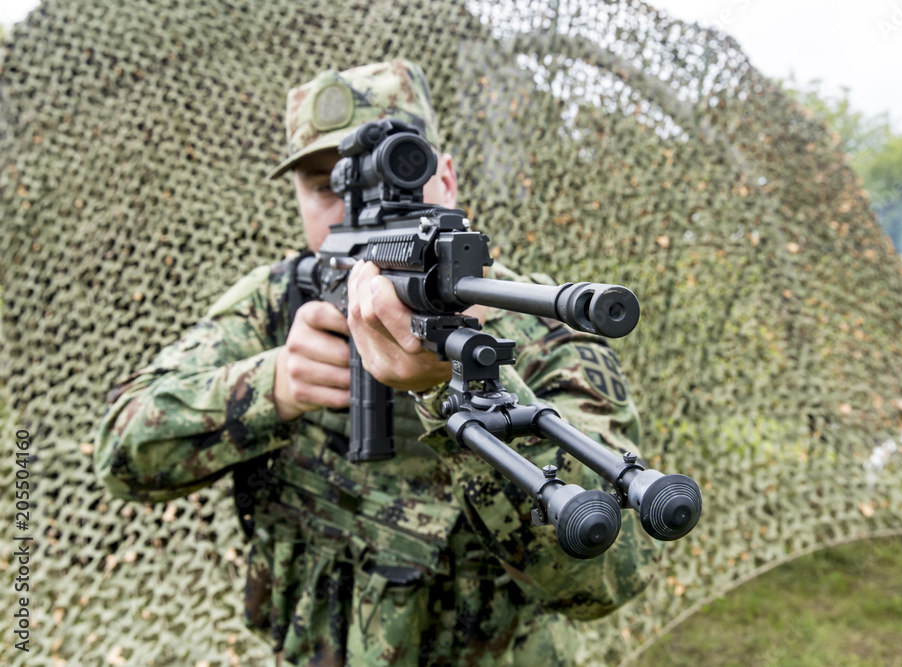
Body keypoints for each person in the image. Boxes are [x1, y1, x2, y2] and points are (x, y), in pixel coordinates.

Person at [95, 59, 659, 666]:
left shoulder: (541, 325)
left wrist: (460, 389)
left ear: (445, 177)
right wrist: (272, 386)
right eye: (324, 185)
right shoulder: (276, 302)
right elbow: (121, 451)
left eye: (399, 169)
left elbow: (611, 572)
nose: (353, 207)